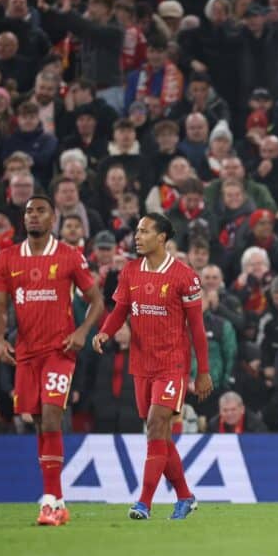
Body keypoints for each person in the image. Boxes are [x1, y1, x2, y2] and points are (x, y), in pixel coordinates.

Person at [0, 196, 105, 526]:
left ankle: (51, 502)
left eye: (41, 211)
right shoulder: (7, 258)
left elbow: (96, 301)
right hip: (26, 354)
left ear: (53, 218)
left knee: (53, 418)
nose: (34, 216)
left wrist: (83, 331)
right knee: (38, 422)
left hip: (60, 352)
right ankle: (58, 499)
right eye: (29, 211)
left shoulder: (69, 256)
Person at [92, 214, 211, 518]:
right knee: (159, 435)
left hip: (173, 364)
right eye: (137, 231)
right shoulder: (130, 271)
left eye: (145, 231)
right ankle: (185, 496)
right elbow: (120, 310)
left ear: (161, 238)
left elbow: (197, 329)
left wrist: (203, 371)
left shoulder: (185, 276)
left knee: (157, 426)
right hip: (141, 365)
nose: (138, 237)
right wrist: (105, 331)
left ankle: (143, 502)